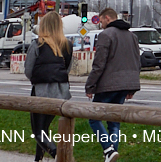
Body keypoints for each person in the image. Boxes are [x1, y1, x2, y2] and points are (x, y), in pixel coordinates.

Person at [84, 8, 140, 162]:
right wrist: (133, 87)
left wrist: (90, 86)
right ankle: (111, 153)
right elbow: (136, 61)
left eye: (101, 20)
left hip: (108, 85)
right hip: (125, 85)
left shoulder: (106, 35)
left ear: (107, 18)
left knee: (93, 118)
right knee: (114, 121)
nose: (100, 24)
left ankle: (108, 149)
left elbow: (99, 64)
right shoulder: (132, 36)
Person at [25, 12, 73, 161]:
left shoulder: (37, 44)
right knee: (44, 129)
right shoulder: (67, 45)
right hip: (60, 92)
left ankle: (57, 155)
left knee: (38, 131)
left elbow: (28, 69)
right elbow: (68, 68)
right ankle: (38, 159)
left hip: (41, 91)